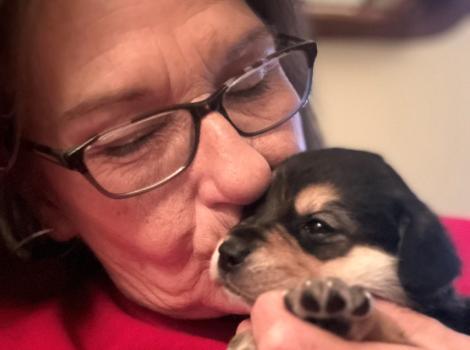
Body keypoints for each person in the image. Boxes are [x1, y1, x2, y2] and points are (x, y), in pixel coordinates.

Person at [0, 0, 468, 349]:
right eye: (133, 139)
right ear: (41, 195)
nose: (247, 175)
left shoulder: (438, 248)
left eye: (255, 79)